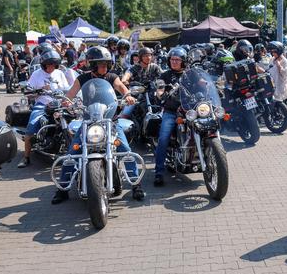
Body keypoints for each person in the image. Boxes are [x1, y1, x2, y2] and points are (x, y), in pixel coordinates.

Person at [53, 46, 142, 204]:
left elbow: (121, 87)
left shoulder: (111, 76)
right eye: (101, 64)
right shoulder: (82, 79)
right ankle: (63, 188)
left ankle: (136, 184)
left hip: (110, 121)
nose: (105, 67)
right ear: (92, 64)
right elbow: (71, 94)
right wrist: (66, 102)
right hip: (88, 122)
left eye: (107, 64)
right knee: (72, 153)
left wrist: (127, 95)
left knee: (125, 150)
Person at [17, 50, 71, 168]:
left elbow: (67, 88)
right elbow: (28, 90)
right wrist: (39, 90)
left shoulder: (60, 73)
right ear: (44, 64)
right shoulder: (37, 74)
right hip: (42, 105)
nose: (51, 66)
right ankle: (26, 157)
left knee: (74, 122)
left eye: (53, 64)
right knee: (31, 127)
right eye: (49, 64)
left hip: (59, 104)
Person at [152, 47, 191, 186]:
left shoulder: (189, 74)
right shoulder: (165, 75)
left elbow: (201, 83)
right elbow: (160, 89)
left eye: (177, 60)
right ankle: (159, 172)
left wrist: (209, 85)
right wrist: (160, 93)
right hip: (171, 111)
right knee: (163, 138)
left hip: (190, 110)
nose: (174, 62)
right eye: (172, 59)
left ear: (183, 61)